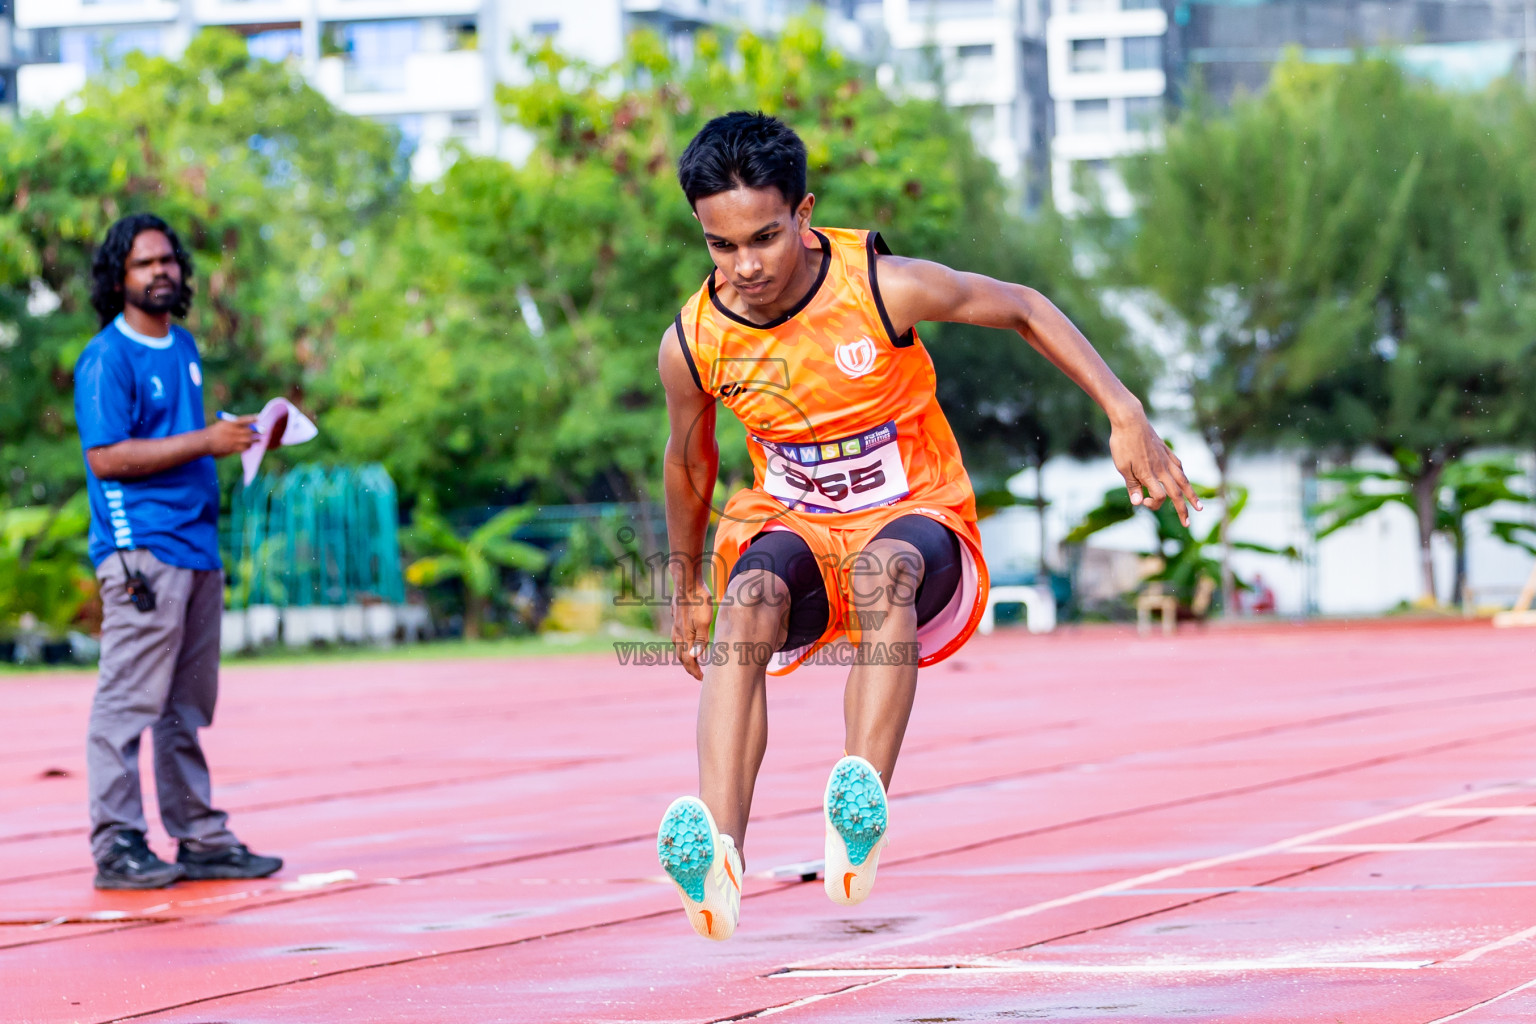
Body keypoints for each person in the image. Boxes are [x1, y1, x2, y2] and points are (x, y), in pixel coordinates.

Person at [654, 113, 1200, 940]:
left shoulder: (880, 288)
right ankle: (718, 854)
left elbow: (1021, 306)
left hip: (915, 521)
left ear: (804, 214)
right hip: (795, 528)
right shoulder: (696, 342)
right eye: (721, 247)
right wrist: (685, 581)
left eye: (764, 237)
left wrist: (1124, 412)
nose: (746, 266)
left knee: (883, 573)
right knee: (749, 599)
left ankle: (857, 813)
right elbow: (691, 465)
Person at [74, 213, 283, 890]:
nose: (161, 271)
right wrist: (204, 443)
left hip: (196, 548)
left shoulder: (183, 344)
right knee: (127, 704)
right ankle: (118, 846)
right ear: (118, 278)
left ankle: (199, 838)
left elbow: (181, 436)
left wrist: (238, 436)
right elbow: (106, 458)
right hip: (142, 553)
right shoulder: (108, 356)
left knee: (185, 709)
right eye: (144, 264)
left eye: (168, 260)